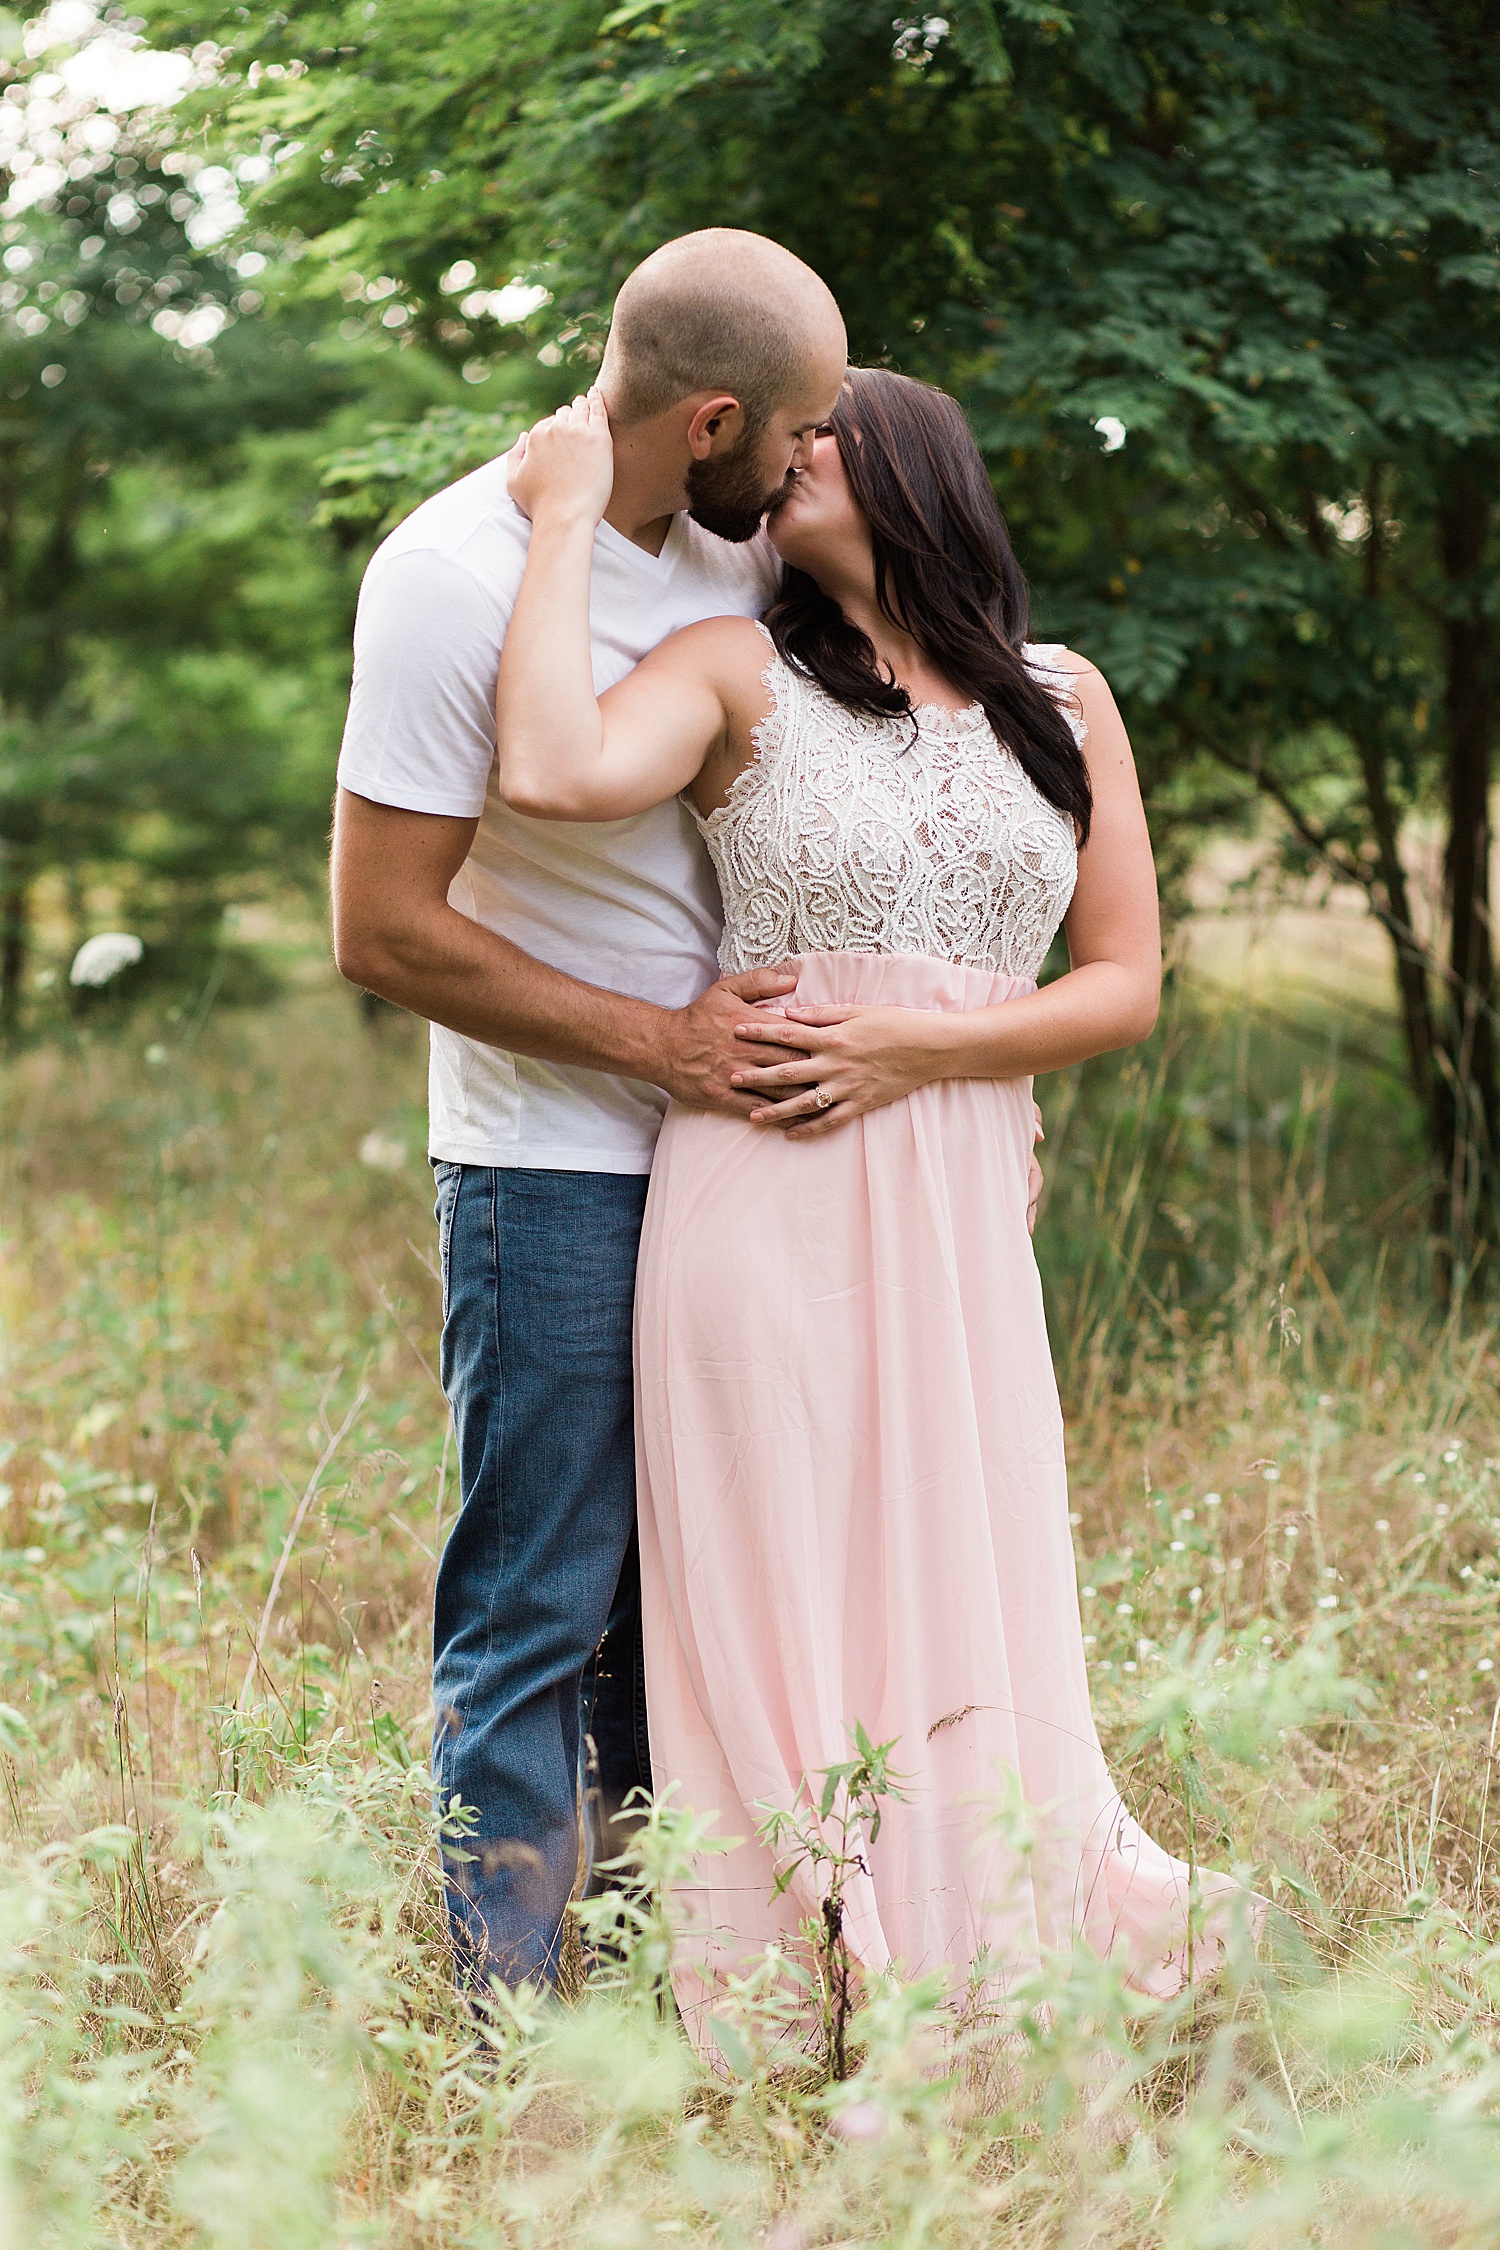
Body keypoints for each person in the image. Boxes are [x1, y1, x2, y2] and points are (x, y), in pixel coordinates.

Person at [494, 368, 1248, 2032]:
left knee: (962, 1553)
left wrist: (918, 1049)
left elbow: (1124, 981)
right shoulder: (735, 671)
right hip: (765, 1190)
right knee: (779, 1569)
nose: (787, 455)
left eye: (820, 432)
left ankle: (982, 1930)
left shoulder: (1064, 698)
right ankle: (811, 1967)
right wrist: (559, 514)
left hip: (962, 1200)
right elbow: (547, 768)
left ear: (917, 467)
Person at [332, 232, 1032, 1989]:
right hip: (557, 1156)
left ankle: (696, 1975)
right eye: (798, 435)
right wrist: (664, 1048)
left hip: (769, 1160)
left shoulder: (742, 552)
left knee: (711, 1601)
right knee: (546, 1597)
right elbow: (381, 927)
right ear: (714, 418)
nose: (815, 466)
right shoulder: (452, 573)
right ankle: (512, 2018)